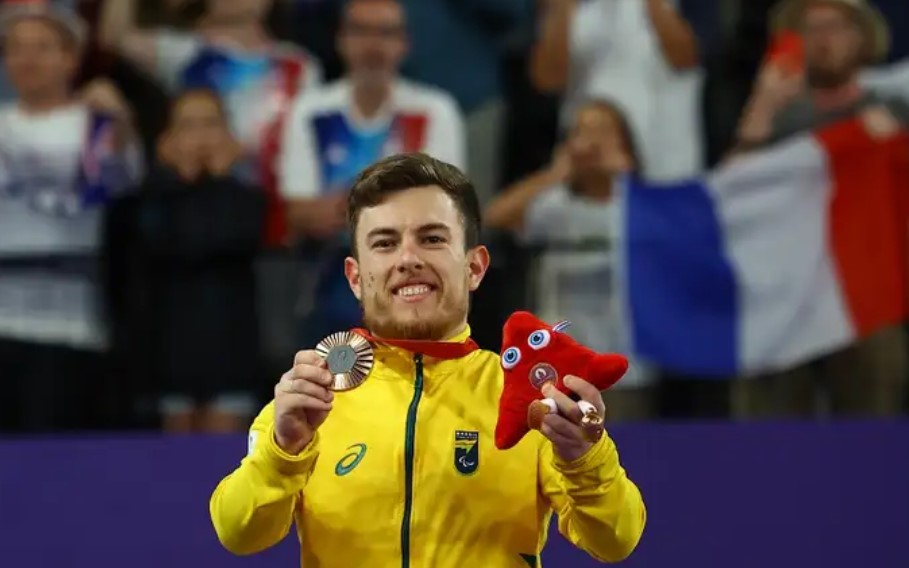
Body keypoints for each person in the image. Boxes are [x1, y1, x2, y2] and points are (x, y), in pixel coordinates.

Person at [209, 153, 646, 566]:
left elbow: (615, 540)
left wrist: (585, 457)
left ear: (474, 268)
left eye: (432, 238)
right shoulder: (313, 396)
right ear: (356, 278)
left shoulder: (525, 398)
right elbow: (238, 532)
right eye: (385, 242)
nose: (409, 259)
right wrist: (282, 451)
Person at [278, 0, 466, 348]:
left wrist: (348, 209)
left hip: (413, 274)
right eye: (361, 31)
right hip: (329, 276)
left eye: (385, 33)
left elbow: (446, 210)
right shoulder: (311, 110)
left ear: (404, 43)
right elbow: (300, 212)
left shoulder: (434, 111)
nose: (373, 45)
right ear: (341, 39)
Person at [0, 4, 141, 432]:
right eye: (16, 49)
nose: (28, 60)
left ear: (70, 58)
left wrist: (125, 123)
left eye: (42, 48)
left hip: (69, 325)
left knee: (50, 461)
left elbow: (125, 182)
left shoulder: (98, 126)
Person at [485, 99, 656, 422]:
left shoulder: (639, 206)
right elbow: (495, 217)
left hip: (625, 368)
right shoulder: (555, 205)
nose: (592, 142)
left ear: (625, 143)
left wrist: (628, 177)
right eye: (582, 131)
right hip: (557, 369)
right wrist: (555, 174)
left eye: (603, 131)